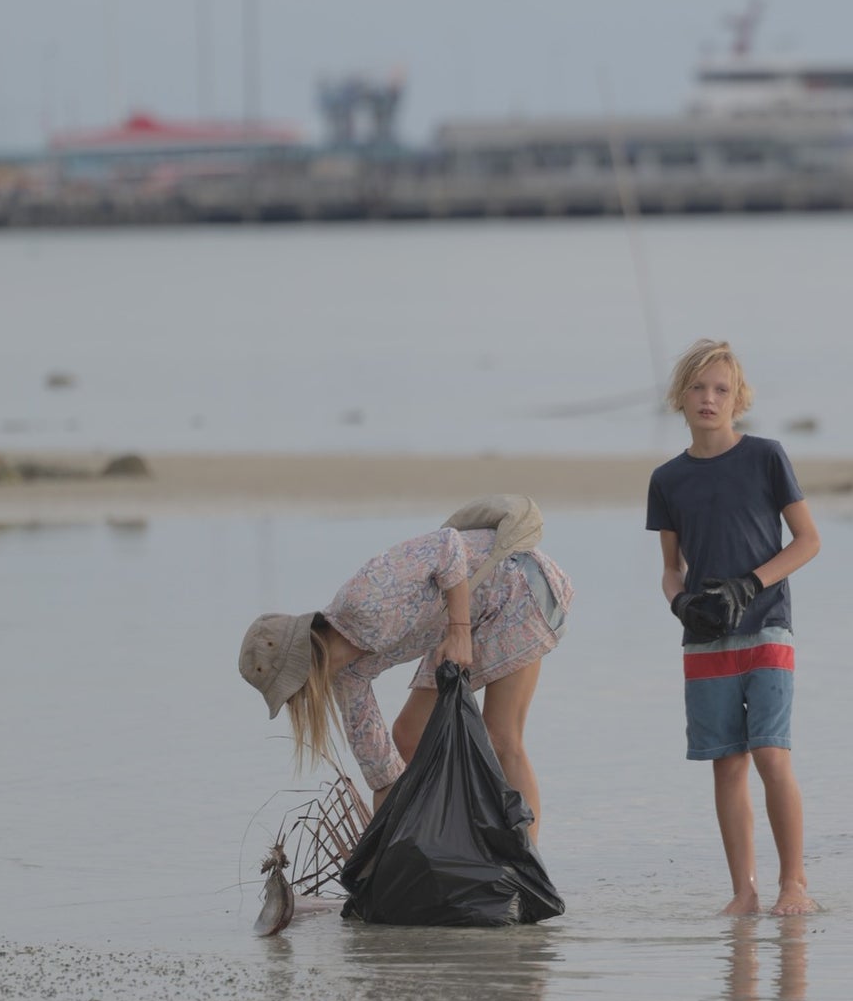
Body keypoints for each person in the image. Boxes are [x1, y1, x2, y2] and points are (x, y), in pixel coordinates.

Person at [238, 528, 572, 832]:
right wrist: (378, 864)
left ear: (302, 666)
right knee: (408, 734)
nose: (299, 702)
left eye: (292, 693)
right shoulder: (348, 680)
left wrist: (459, 631)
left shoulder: (362, 600)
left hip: (515, 589)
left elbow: (448, 545)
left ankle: (530, 871)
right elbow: (384, 780)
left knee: (502, 738)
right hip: (454, 623)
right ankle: (465, 843)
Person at [647, 338, 820, 917]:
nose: (709, 398)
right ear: (680, 396)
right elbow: (671, 572)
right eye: (698, 387)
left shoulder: (766, 456)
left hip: (768, 627)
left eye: (721, 389)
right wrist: (681, 605)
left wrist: (750, 583)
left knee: (772, 754)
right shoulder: (668, 479)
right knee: (727, 764)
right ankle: (743, 891)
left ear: (738, 398)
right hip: (706, 641)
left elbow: (808, 541)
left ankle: (793, 883)